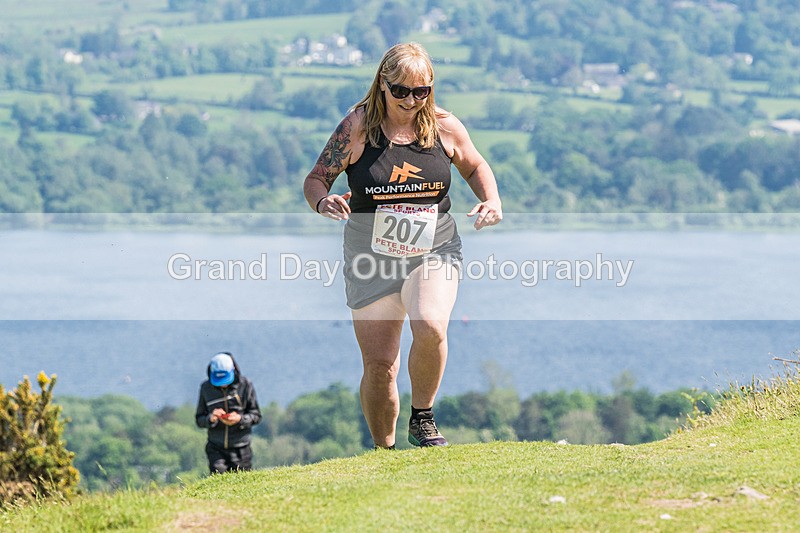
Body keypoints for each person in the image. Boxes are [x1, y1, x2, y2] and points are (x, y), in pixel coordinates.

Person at [303, 42, 502, 449]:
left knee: (430, 324)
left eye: (422, 91)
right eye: (402, 91)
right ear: (383, 85)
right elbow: (316, 179)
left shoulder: (444, 127)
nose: (412, 101)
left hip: (433, 248)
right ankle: (384, 451)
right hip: (370, 258)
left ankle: (423, 417)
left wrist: (491, 200)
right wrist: (324, 201)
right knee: (380, 367)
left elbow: (475, 165)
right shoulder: (357, 127)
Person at [195, 352, 262, 473]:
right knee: (218, 482)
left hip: (241, 448)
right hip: (216, 448)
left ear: (234, 370)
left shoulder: (246, 385)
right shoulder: (206, 388)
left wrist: (240, 419)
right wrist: (211, 419)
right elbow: (199, 419)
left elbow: (256, 415)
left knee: (243, 484)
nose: (223, 384)